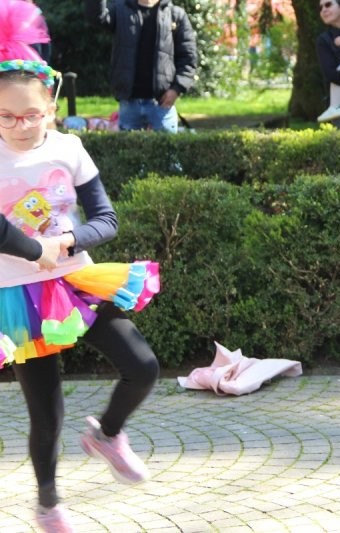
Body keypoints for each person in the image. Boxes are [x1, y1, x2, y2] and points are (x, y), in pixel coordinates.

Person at [0, 9, 161, 531]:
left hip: (76, 281)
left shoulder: (70, 148)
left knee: (143, 366)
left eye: (31, 115)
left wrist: (64, 242)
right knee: (47, 415)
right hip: (18, 296)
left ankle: (108, 434)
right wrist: (34, 251)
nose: (20, 126)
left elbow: (107, 219)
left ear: (50, 107)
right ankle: (48, 502)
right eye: (6, 117)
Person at [85, 0, 198, 133]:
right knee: (128, 147)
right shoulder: (120, 10)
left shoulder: (175, 14)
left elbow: (188, 57)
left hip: (162, 102)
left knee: (166, 146)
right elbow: (96, 18)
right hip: (129, 102)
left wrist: (176, 89)